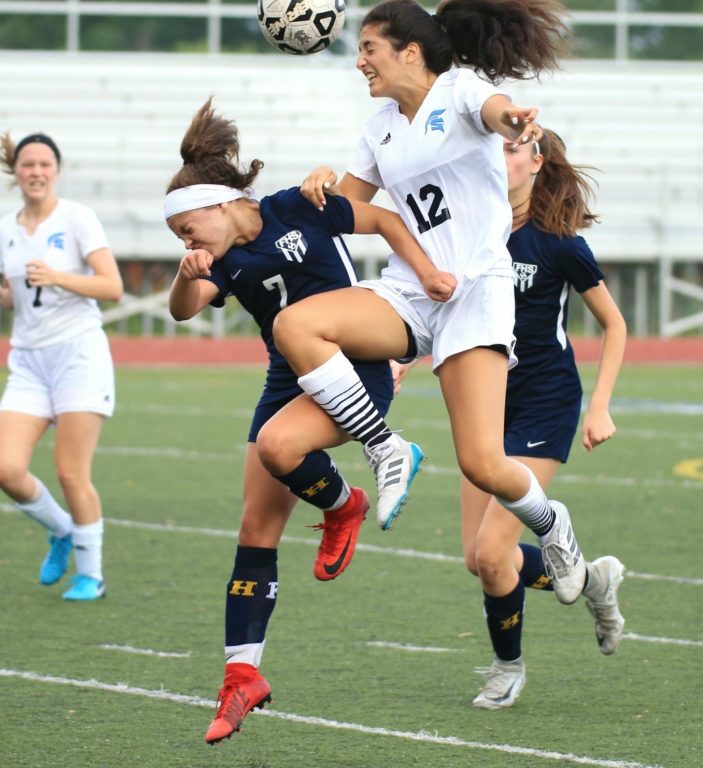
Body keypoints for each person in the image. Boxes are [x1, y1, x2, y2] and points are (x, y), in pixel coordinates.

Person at [271, 0, 592, 606]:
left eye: (370, 48)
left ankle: (554, 527)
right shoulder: (379, 128)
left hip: (476, 291)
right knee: (297, 325)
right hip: (409, 290)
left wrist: (515, 121)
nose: (360, 60)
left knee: (482, 464)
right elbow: (346, 207)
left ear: (409, 52)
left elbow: (497, 112)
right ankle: (385, 447)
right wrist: (317, 184)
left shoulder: (462, 89)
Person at [163, 97, 452, 744]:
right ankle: (242, 677)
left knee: (277, 447)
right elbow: (184, 311)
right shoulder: (222, 260)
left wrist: (429, 273)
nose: (186, 242)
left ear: (220, 202)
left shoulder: (297, 204)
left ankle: (355, 487)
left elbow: (379, 216)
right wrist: (186, 275)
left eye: (188, 229)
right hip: (283, 380)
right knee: (255, 527)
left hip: (356, 364)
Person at [395, 129, 628, 709]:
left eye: (510, 149)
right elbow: (445, 304)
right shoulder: (473, 235)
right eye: (493, 149)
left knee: (497, 554)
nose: (498, 159)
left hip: (545, 403)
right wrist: (403, 356)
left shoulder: (559, 245)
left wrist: (599, 404)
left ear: (536, 162)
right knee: (478, 559)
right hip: (487, 402)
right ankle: (595, 580)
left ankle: (508, 668)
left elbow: (615, 325)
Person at [0, 131, 123, 601]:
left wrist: (57, 277)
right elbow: (16, 297)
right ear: (16, 172)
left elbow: (112, 287)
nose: (35, 172)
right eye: (27, 165)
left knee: (71, 471)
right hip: (28, 361)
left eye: (44, 164)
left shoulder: (77, 218)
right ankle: (61, 531)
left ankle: (91, 575)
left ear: (56, 169)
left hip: (78, 354)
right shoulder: (8, 228)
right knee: (7, 469)